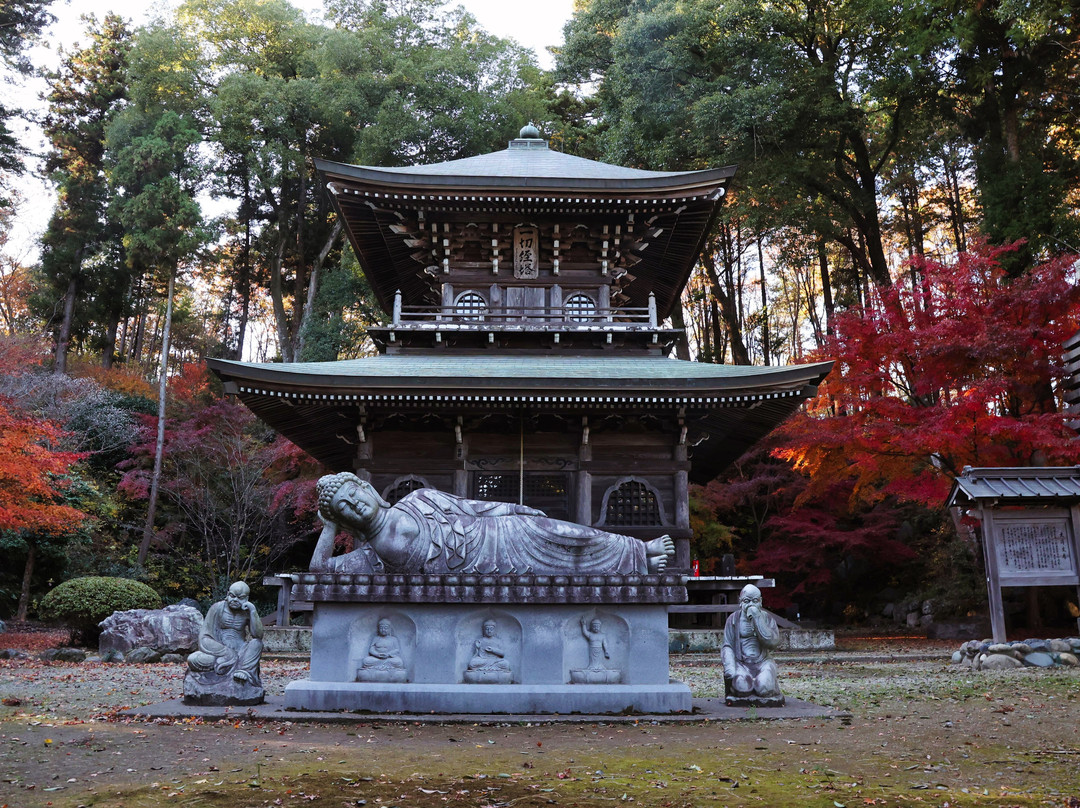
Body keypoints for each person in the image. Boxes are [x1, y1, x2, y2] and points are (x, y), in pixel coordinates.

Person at [310, 472, 674, 575]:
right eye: (344, 508)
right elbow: (320, 569)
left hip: (494, 534)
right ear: (345, 520)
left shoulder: (417, 500)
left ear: (369, 491)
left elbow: (472, 508)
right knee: (558, 564)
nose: (355, 504)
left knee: (558, 531)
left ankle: (637, 552)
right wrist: (327, 528)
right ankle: (637, 560)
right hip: (484, 565)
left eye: (354, 494)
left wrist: (514, 509)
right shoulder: (372, 557)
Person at [187, 581, 263, 686]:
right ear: (227, 595)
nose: (235, 600)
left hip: (240, 652)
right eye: (232, 596)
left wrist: (253, 611)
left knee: (257, 643)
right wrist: (226, 652)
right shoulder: (217, 608)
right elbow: (204, 637)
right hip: (219, 652)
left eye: (240, 598)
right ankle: (233, 665)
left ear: (246, 599)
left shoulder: (247, 611)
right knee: (193, 659)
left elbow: (258, 635)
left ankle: (243, 671)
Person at [721, 584, 783, 705]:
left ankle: (767, 684)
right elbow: (727, 646)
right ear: (740, 602)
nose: (751, 604)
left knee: (764, 688)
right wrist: (730, 667)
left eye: (755, 601)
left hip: (763, 661)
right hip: (742, 663)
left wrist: (757, 619)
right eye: (746, 601)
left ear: (760, 601)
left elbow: (772, 643)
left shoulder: (767, 618)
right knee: (742, 687)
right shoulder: (733, 619)